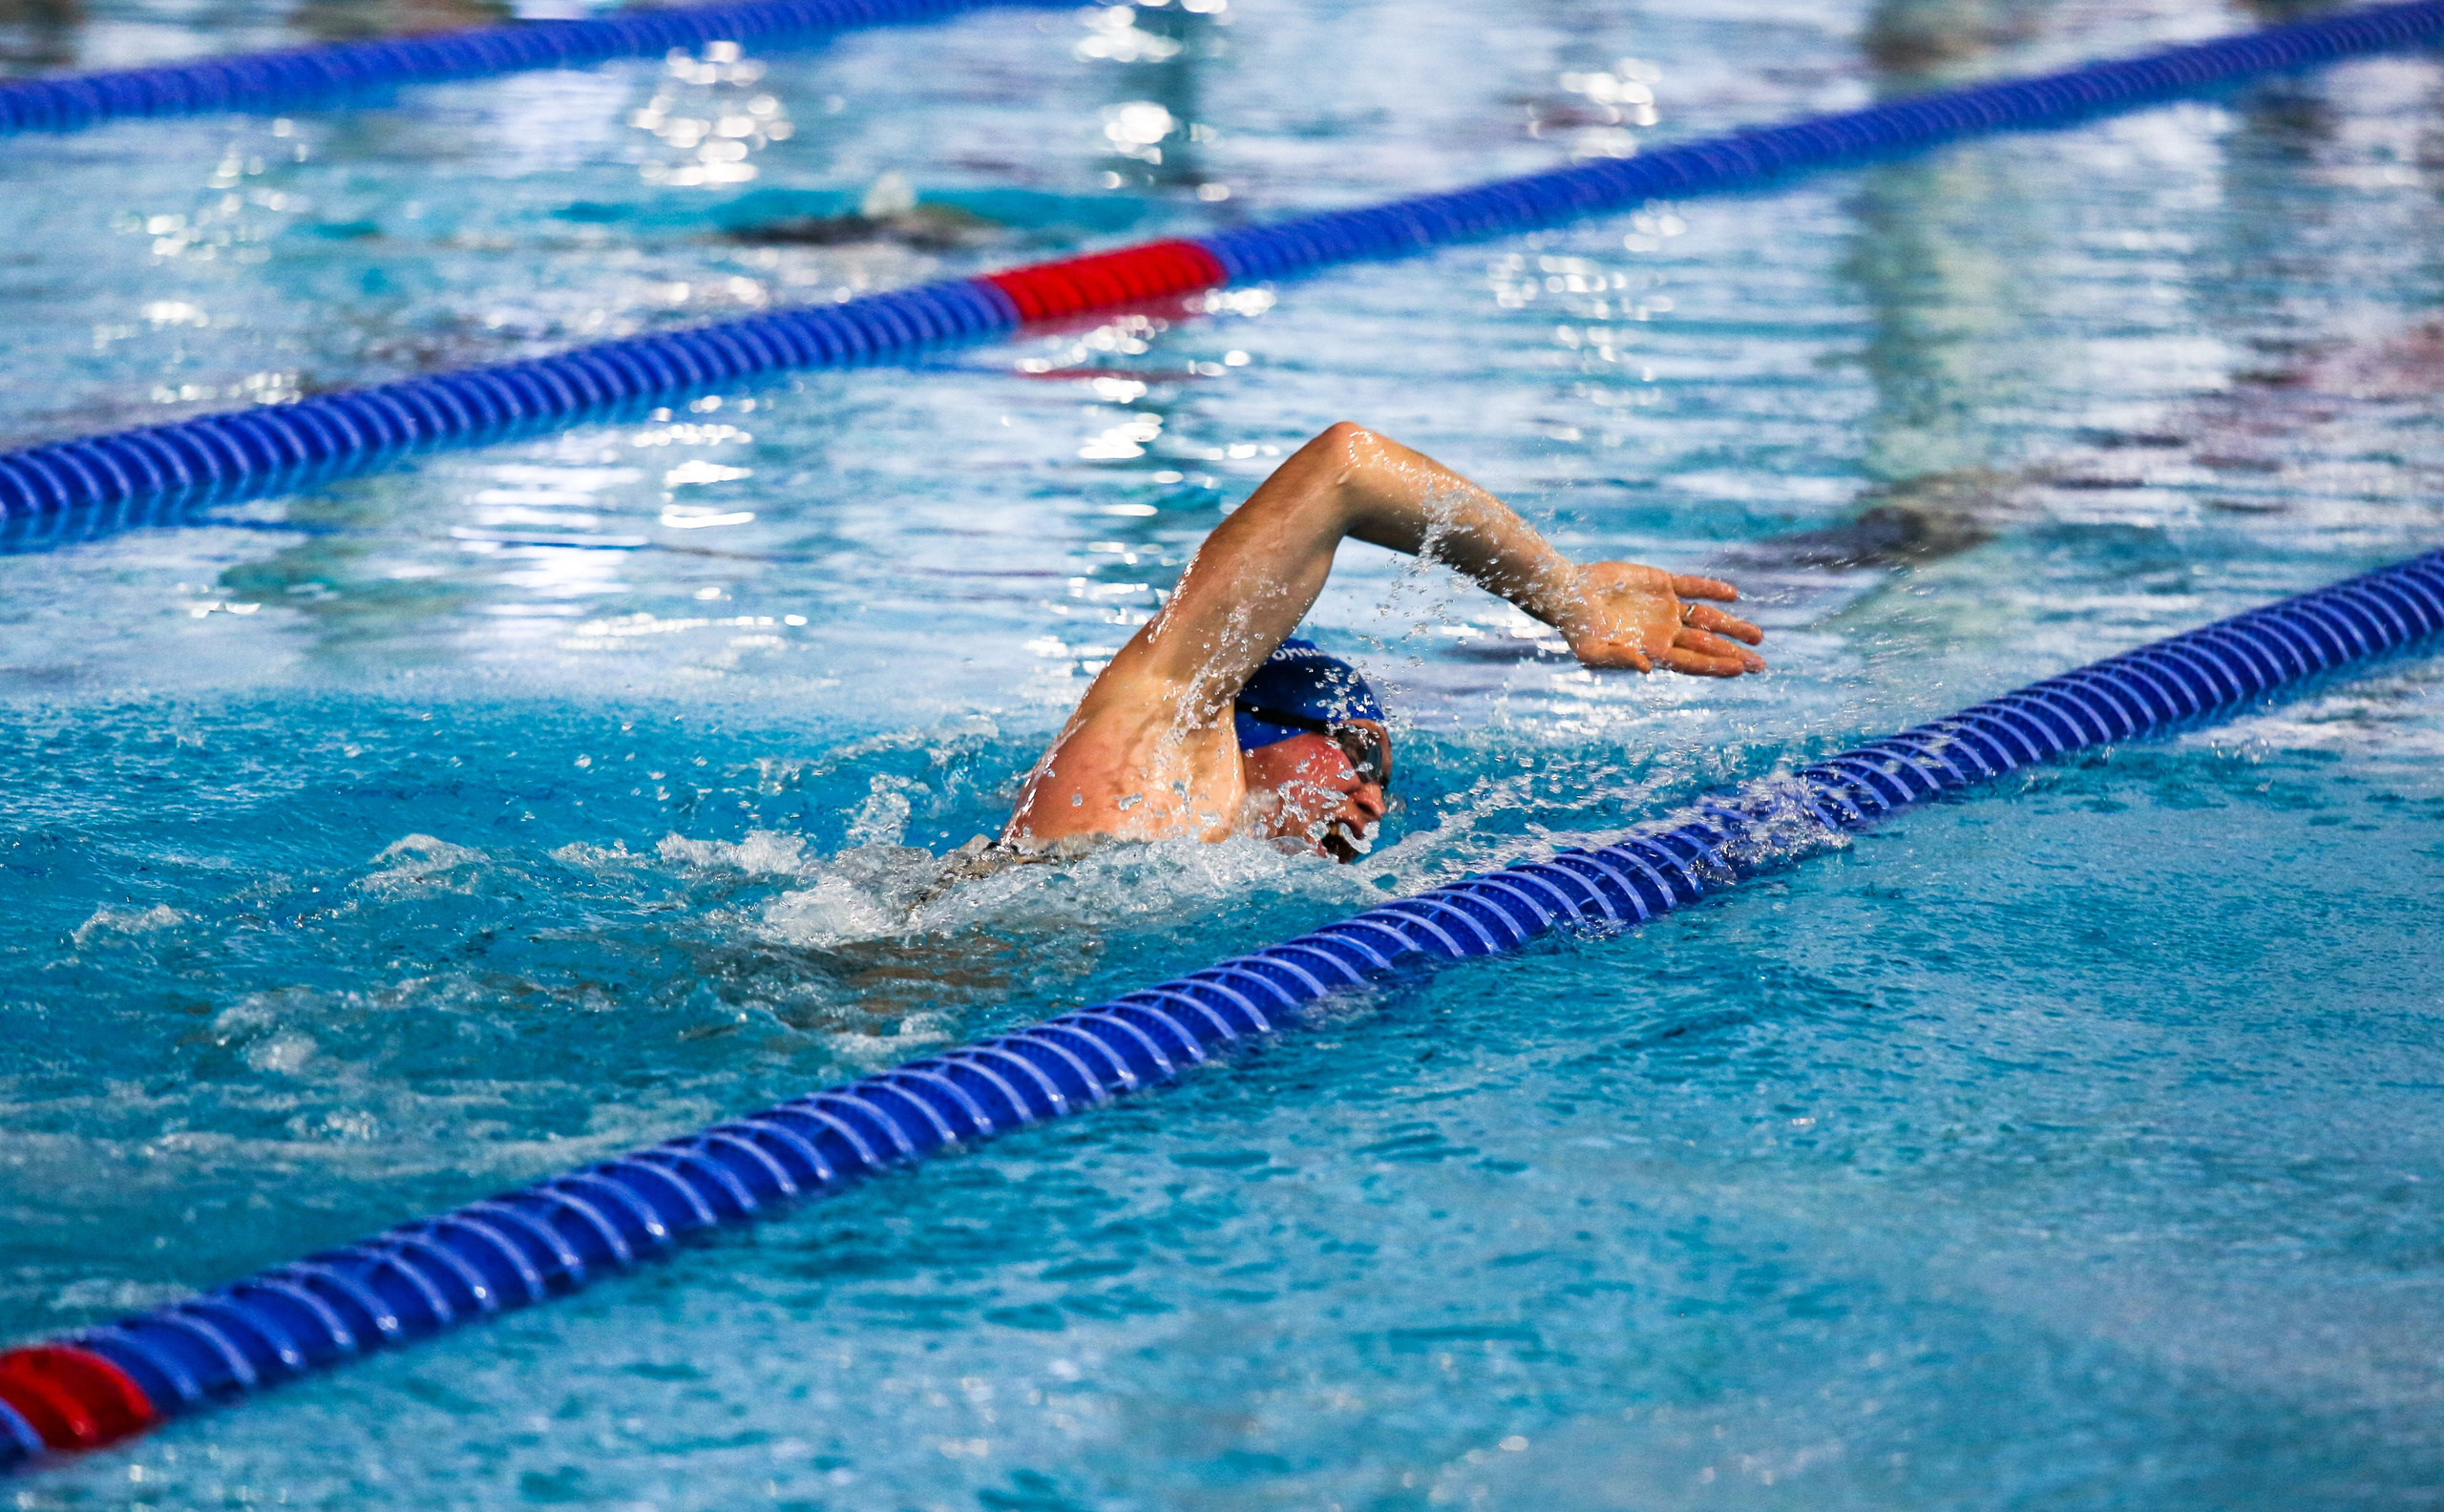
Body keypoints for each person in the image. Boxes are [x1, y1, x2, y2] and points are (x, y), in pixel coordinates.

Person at [999, 422, 1766, 864]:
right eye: (1360, 758)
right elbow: (1345, 469)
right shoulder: (1155, 752)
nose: (1372, 802)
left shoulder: (1213, 864)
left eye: (1381, 779)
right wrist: (1567, 597)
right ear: (1244, 725)